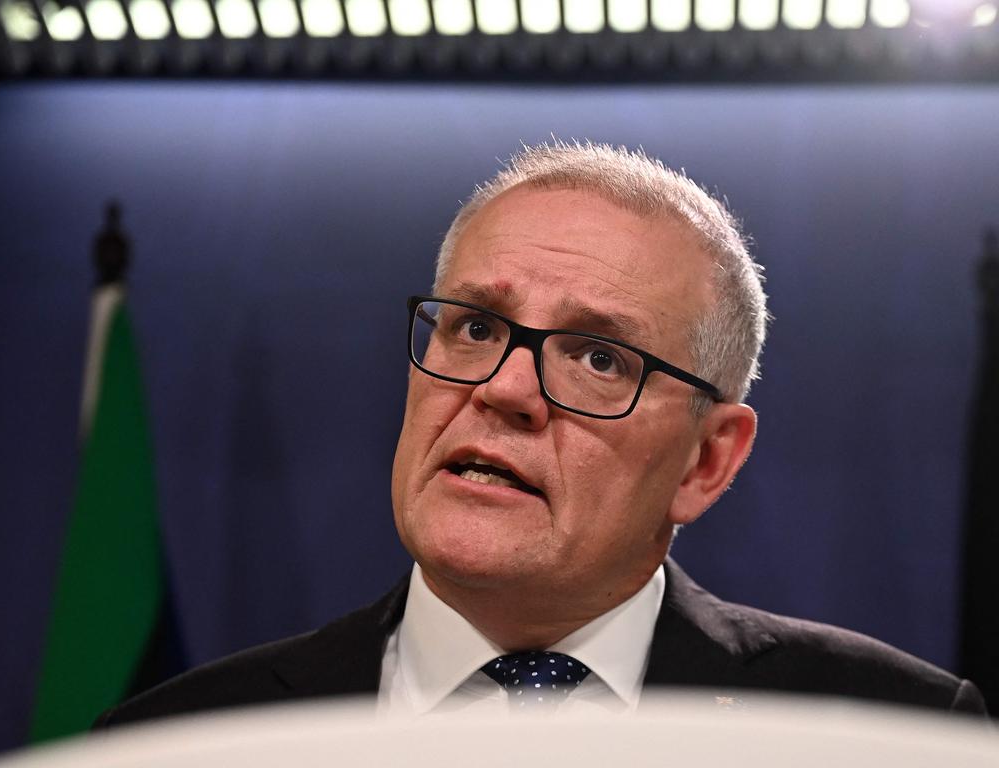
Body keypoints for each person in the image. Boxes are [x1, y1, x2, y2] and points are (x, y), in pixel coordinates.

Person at [97, 141, 985, 725]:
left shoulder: (890, 731)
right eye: (475, 328)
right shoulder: (179, 739)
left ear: (708, 461)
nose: (505, 388)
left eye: (598, 358)